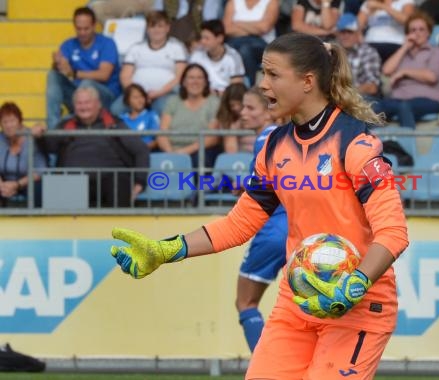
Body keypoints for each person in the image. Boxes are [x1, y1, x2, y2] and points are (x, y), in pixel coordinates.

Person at [110, 32, 408, 379]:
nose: (263, 85)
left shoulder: (356, 143)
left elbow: (393, 233)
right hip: (298, 302)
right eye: (262, 74)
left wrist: (354, 283)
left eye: (272, 74)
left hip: (357, 305)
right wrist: (166, 249)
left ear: (307, 81)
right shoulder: (274, 147)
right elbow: (238, 224)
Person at [234, 86, 287, 352]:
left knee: (245, 301)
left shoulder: (265, 137)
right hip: (304, 229)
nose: (243, 113)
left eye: (250, 107)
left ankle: (267, 369)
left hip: (275, 229)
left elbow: (268, 187)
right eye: (243, 107)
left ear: (269, 112)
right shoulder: (289, 135)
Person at [43, 86, 149, 208]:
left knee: (119, 183)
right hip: (73, 180)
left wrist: (140, 182)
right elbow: (49, 147)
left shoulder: (114, 124)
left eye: (87, 102)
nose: (83, 107)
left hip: (112, 180)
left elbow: (141, 150)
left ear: (98, 104)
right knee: (59, 187)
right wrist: (39, 136)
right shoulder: (65, 125)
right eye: (79, 103)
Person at [46, 6, 121, 130]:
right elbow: (62, 70)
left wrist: (75, 74)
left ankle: (75, 121)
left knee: (87, 84)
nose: (82, 33)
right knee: (52, 75)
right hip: (78, 98)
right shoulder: (68, 44)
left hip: (105, 96)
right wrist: (57, 64)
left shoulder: (107, 43)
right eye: (79, 29)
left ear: (94, 25)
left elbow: (104, 75)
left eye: (86, 28)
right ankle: (53, 128)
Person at [373, 11, 439, 129]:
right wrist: (405, 47)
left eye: (421, 29)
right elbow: (386, 70)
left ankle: (407, 144)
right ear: (407, 33)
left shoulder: (435, 51)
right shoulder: (402, 53)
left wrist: (404, 72)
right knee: (373, 107)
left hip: (428, 100)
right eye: (413, 30)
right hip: (397, 99)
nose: (417, 33)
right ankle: (376, 144)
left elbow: (432, 77)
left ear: (428, 33)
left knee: (404, 106)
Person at [111, 11, 188, 116]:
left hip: (166, 94)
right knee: (116, 109)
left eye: (160, 26)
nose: (156, 30)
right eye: (152, 26)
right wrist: (137, 95)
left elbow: (180, 77)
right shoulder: (135, 48)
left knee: (160, 108)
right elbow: (125, 76)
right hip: (136, 94)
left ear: (167, 28)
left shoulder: (176, 48)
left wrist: (157, 93)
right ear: (147, 29)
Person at [156, 63, 222, 167]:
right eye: (191, 78)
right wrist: (170, 152)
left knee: (201, 159)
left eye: (200, 78)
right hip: (172, 149)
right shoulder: (173, 101)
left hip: (199, 150)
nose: (195, 81)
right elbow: (162, 132)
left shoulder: (214, 102)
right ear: (184, 82)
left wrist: (183, 152)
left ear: (205, 82)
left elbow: (212, 138)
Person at [223, 0, 280, 87]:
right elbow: (226, 29)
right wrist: (255, 28)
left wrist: (238, 24)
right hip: (235, 42)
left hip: (262, 44)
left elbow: (265, 27)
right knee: (226, 49)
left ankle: (249, 86)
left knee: (245, 50)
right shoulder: (233, 2)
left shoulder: (271, 2)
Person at [0, 102, 46, 207]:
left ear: (20, 122)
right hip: (5, 184)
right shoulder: (0, 139)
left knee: (38, 189)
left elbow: (40, 171)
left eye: (12, 121)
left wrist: (17, 185)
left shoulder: (31, 136)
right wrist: (1, 185)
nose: (8, 125)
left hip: (27, 182)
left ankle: (38, 220)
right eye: (4, 122)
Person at [189, 19, 246, 95]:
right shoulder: (196, 55)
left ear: (219, 38)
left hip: (225, 100)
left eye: (207, 38)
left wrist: (216, 93)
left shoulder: (233, 58)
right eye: (202, 37)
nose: (202, 41)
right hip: (201, 97)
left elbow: (236, 90)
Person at [335, 13, 383, 101]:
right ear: (337, 34)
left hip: (362, 99)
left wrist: (343, 94)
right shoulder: (332, 53)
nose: (345, 36)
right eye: (342, 32)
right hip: (336, 100)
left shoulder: (368, 52)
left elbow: (372, 87)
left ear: (358, 33)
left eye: (350, 32)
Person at [119, 84, 161, 151]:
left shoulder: (152, 115)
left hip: (147, 154)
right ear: (127, 100)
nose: (140, 100)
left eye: (142, 96)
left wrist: (142, 149)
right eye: (135, 97)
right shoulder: (121, 118)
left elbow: (159, 139)